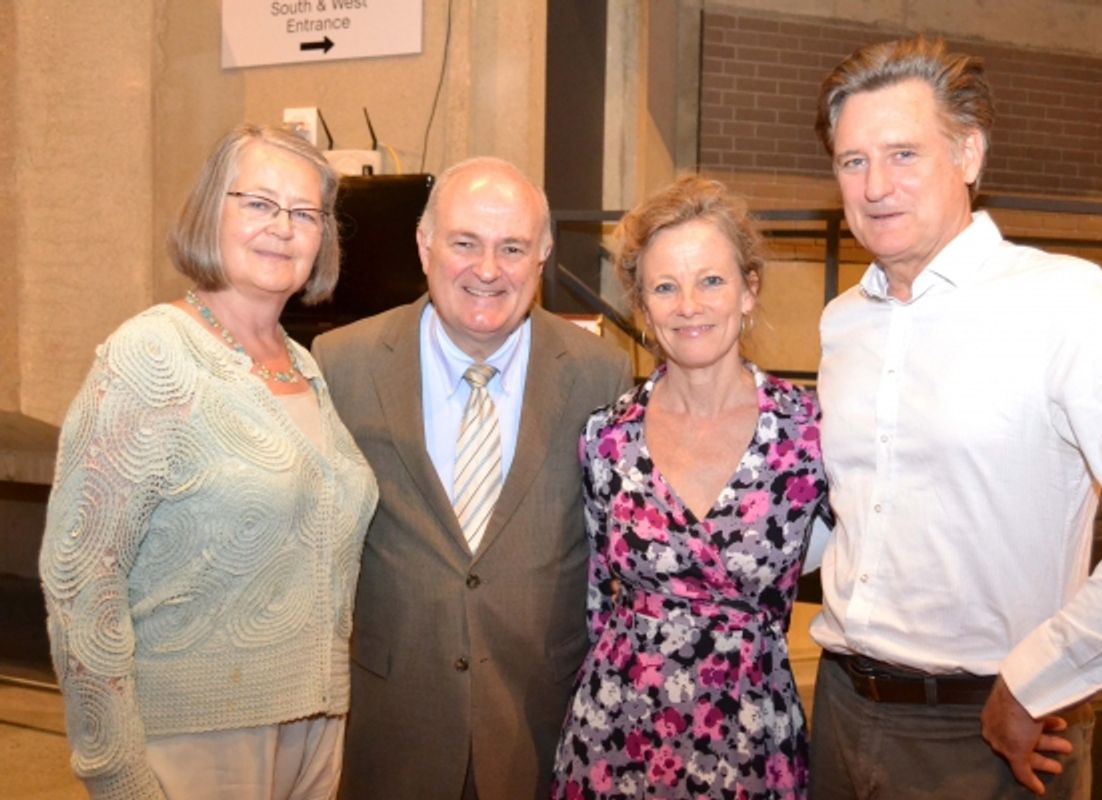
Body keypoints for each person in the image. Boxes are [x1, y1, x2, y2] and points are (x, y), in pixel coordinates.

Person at [810, 34, 1102, 799]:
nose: (876, 184)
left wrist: (1041, 678)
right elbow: (854, 508)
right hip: (842, 712)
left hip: (993, 732)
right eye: (853, 161)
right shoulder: (842, 323)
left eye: (904, 154)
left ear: (970, 155)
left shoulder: (1059, 301)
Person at [39, 124, 380, 800]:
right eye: (258, 203)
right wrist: (115, 770)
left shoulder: (303, 365)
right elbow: (81, 580)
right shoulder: (152, 357)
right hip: (196, 740)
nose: (282, 228)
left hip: (315, 730)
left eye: (305, 213)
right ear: (209, 213)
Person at [310, 156, 631, 799]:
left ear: (540, 257)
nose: (488, 270)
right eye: (465, 243)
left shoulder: (602, 374)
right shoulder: (342, 364)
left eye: (512, 248)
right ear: (425, 246)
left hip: (540, 727)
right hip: (393, 726)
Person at [550, 175, 833, 799]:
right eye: (665, 287)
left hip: (751, 739)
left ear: (748, 290)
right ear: (643, 307)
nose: (689, 305)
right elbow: (596, 601)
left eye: (711, 280)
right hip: (615, 735)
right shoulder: (607, 439)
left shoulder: (809, 432)